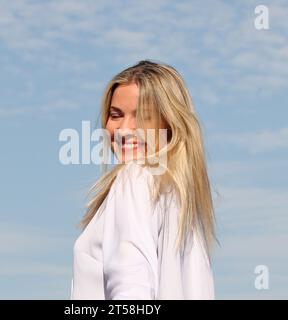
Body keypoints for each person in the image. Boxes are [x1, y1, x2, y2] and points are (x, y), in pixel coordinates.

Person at [71, 59, 216, 299]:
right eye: (115, 115)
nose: (124, 130)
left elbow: (131, 289)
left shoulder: (134, 179)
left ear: (169, 123)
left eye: (142, 117)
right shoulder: (180, 203)